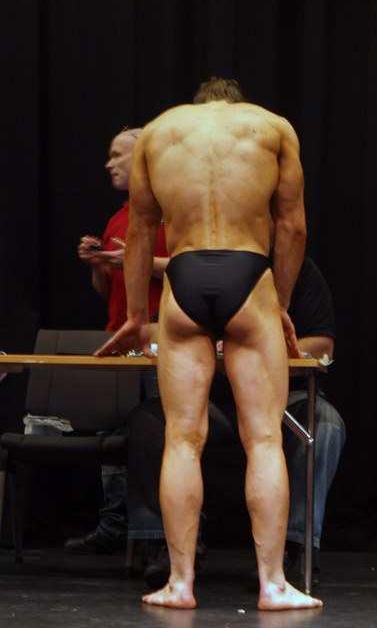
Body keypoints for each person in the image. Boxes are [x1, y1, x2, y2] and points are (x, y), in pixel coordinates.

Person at [95, 77, 322, 610]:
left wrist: (135, 315)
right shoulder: (273, 127)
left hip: (185, 277)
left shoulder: (159, 131)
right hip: (248, 273)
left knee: (181, 438)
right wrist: (279, 304)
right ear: (236, 104)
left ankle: (180, 584)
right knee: (263, 439)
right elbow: (292, 228)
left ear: (197, 107)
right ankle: (272, 585)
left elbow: (140, 230)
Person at [126, 256, 345, 592]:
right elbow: (159, 332)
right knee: (148, 420)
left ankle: (295, 546)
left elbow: (323, 344)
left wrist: (260, 349)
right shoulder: (193, 270)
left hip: (281, 398)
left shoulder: (300, 272)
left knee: (326, 424)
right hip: (209, 401)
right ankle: (169, 545)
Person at [65, 127, 168, 555]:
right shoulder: (117, 218)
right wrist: (98, 264)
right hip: (118, 335)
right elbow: (110, 293)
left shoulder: (173, 212)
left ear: (143, 159)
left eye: (117, 155)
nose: (109, 164)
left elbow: (186, 268)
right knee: (112, 428)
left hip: (158, 337)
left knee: (160, 432)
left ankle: (164, 533)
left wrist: (135, 259)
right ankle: (114, 523)